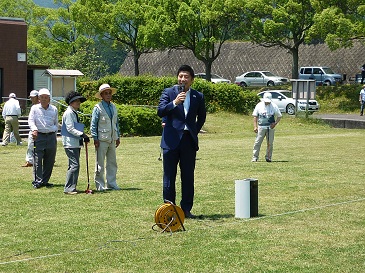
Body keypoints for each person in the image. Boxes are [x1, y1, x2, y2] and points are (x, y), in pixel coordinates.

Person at [157, 64, 206, 219]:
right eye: (180, 76)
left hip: (188, 141)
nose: (183, 79)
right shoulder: (169, 92)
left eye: (186, 77)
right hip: (171, 140)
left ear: (192, 80)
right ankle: (169, 209)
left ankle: (186, 209)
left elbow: (202, 117)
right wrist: (175, 103)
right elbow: (160, 111)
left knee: (188, 177)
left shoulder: (198, 96)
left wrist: (193, 131)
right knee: (169, 176)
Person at [90, 83, 121, 191]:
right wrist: (95, 138)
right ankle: (100, 185)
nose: (108, 95)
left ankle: (112, 184)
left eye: (109, 93)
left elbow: (116, 123)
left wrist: (118, 137)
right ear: (101, 95)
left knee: (112, 163)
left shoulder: (113, 106)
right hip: (101, 139)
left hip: (112, 138)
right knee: (100, 164)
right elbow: (93, 124)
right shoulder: (97, 108)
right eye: (106, 93)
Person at [28, 88, 58, 189]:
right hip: (39, 135)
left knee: (50, 160)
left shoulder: (54, 109)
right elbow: (31, 120)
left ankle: (45, 180)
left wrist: (54, 130)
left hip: (51, 136)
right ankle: (38, 180)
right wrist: (34, 129)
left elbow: (56, 123)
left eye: (46, 97)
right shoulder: (35, 108)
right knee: (37, 159)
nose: (44, 99)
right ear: (39, 99)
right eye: (42, 97)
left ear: (49, 99)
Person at [61, 91, 90, 194]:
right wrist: (82, 134)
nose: (78, 103)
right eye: (76, 101)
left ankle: (72, 186)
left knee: (73, 165)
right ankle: (69, 188)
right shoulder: (69, 113)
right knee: (74, 165)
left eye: (79, 101)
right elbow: (70, 128)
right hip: (70, 143)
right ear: (71, 102)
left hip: (74, 142)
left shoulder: (73, 112)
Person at [252, 92, 282, 162]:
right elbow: (255, 116)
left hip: (270, 128)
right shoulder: (259, 105)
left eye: (268, 102)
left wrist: (275, 123)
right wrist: (255, 126)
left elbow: (279, 116)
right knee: (257, 142)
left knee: (270, 143)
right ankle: (255, 157)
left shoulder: (274, 106)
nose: (267, 103)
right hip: (261, 127)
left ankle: (268, 157)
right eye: (266, 101)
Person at [22, 90, 39, 167]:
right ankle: (29, 161)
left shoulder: (42, 106)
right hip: (33, 129)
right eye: (31, 97)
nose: (31, 99)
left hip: (40, 129)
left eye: (33, 97)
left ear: (37, 97)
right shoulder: (33, 107)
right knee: (30, 145)